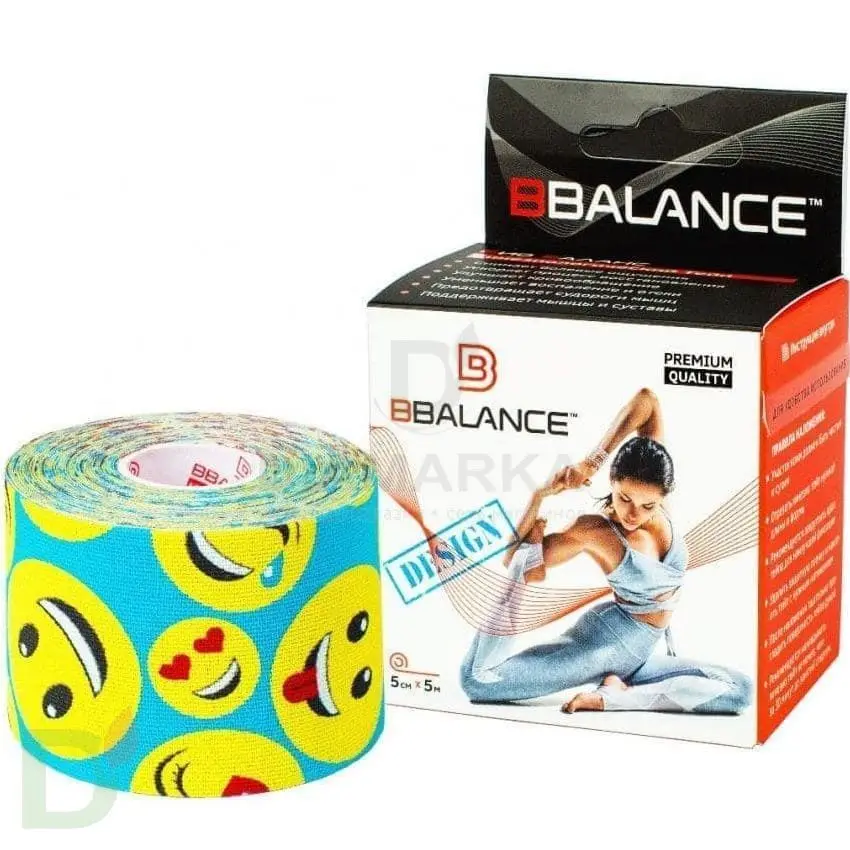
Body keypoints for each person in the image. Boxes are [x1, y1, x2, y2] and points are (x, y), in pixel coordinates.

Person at [459, 388, 752, 715]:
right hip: (606, 645)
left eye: (648, 505)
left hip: (643, 653)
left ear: (662, 495)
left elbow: (647, 401)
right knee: (478, 682)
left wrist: (593, 460)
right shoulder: (595, 532)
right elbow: (515, 560)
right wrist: (540, 495)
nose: (633, 514)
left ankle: (615, 691)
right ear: (612, 482)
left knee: (740, 690)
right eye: (624, 498)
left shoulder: (655, 486)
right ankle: (611, 696)